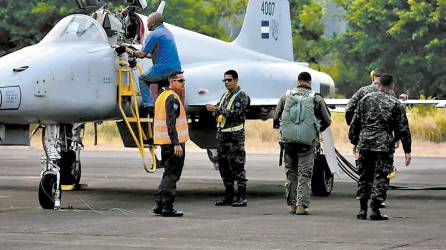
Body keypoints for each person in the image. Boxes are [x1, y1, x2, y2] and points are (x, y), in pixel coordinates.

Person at [349, 74, 412, 220]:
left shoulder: (365, 99)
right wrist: (407, 150)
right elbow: (403, 128)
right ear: (392, 85)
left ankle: (362, 209)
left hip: (365, 142)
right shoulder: (395, 103)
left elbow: (355, 122)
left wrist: (354, 141)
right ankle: (375, 210)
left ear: (378, 84)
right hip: (384, 144)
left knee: (365, 175)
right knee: (382, 176)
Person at [273, 72, 331, 215]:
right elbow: (327, 120)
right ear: (309, 82)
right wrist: (317, 130)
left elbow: (276, 118)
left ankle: (292, 205)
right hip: (307, 143)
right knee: (304, 173)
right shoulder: (316, 98)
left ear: (297, 81)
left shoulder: (286, 97)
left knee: (291, 173)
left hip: (288, 143)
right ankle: (301, 206)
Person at [206, 70, 251, 207]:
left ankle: (242, 197)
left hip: (235, 138)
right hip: (223, 137)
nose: (226, 83)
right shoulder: (225, 95)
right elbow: (220, 109)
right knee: (224, 167)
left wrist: (218, 109)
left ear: (236, 80)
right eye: (224, 80)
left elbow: (236, 114)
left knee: (238, 167)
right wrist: (214, 110)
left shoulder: (242, 96)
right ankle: (229, 196)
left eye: (229, 80)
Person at [120, 12, 182, 111]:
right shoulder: (167, 32)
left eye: (148, 21)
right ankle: (161, 108)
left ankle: (148, 104)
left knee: (142, 78)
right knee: (160, 89)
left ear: (153, 22)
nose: (147, 23)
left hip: (163, 69)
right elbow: (152, 54)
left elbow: (141, 54)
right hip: (176, 69)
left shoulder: (154, 34)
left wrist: (126, 49)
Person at [152, 71, 189, 217]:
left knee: (168, 174)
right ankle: (167, 207)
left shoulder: (162, 96)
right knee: (172, 175)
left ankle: (159, 205)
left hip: (165, 142)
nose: (183, 83)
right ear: (172, 82)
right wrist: (177, 143)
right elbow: (171, 122)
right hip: (173, 143)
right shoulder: (172, 98)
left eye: (183, 81)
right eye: (180, 81)